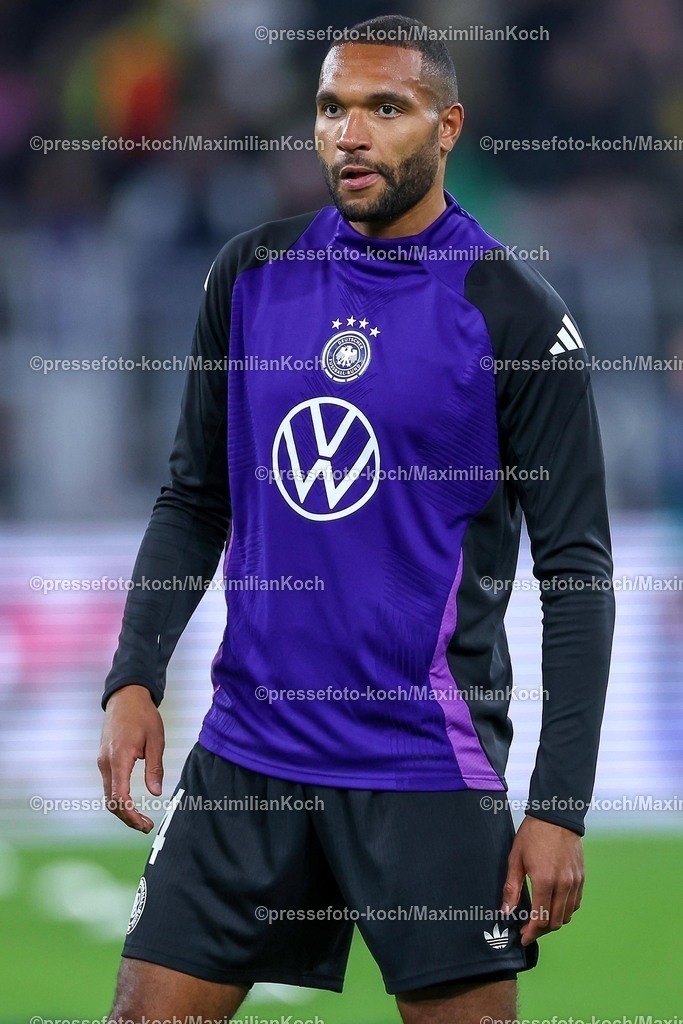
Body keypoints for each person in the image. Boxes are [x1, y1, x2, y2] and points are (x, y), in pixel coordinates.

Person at [99, 14, 615, 1023]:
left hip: (421, 763)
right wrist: (131, 672)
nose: (351, 133)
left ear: (446, 125)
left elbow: (577, 575)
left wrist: (558, 807)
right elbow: (193, 498)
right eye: (333, 107)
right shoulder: (248, 277)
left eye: (386, 107)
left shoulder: (511, 314)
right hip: (250, 749)